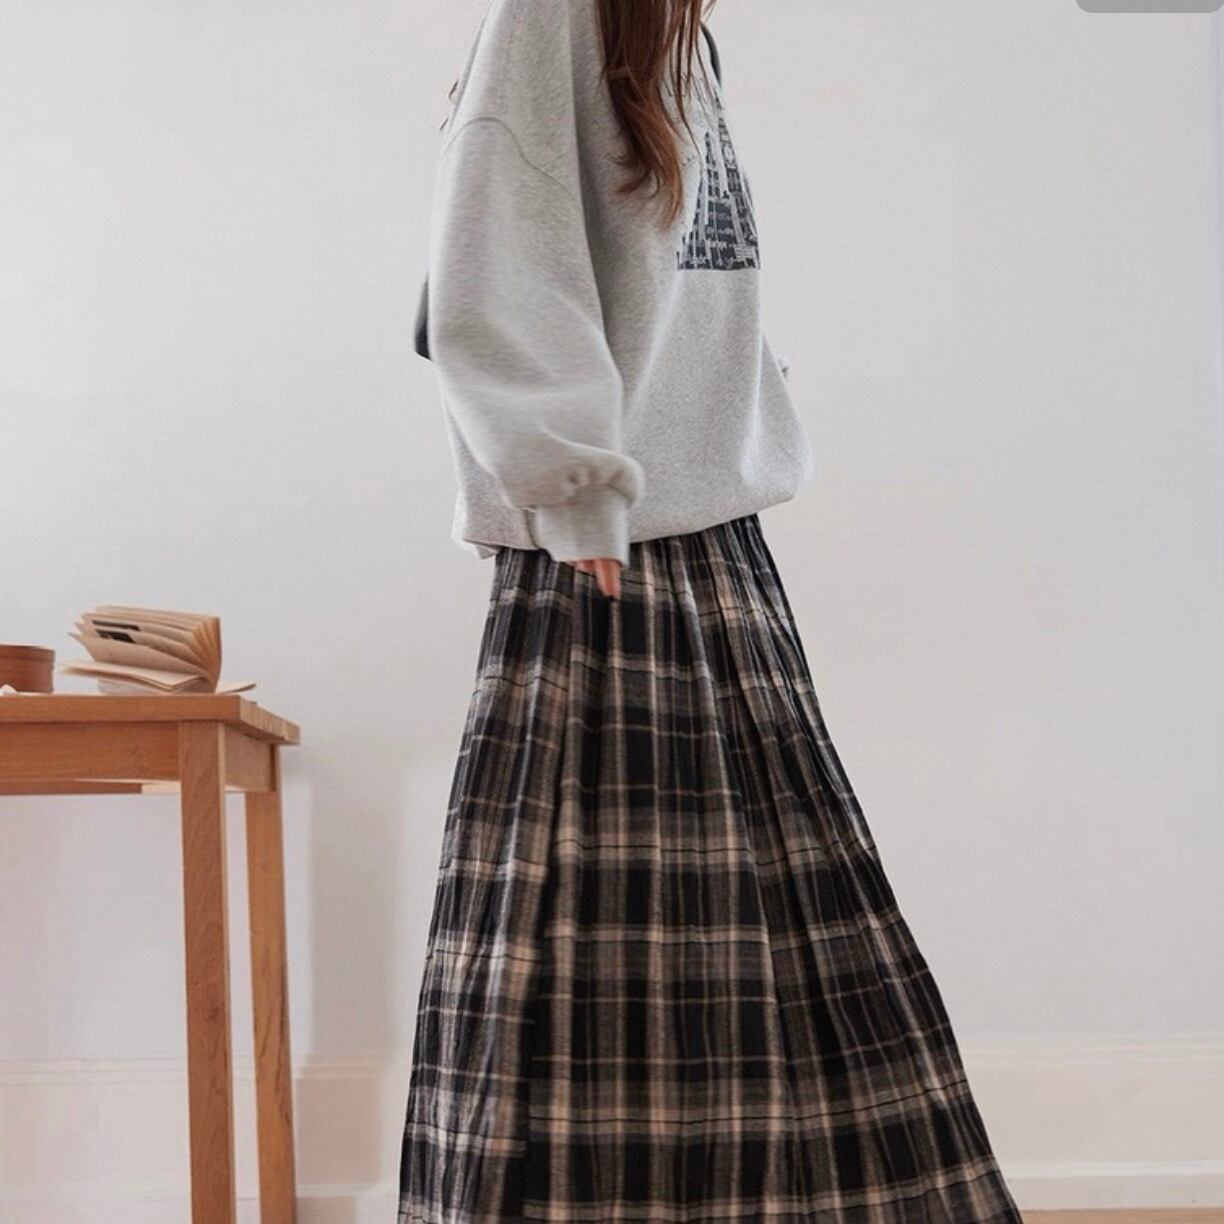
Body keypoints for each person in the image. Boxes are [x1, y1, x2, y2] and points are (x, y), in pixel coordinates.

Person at [399, 1, 1025, 1220]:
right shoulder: (557, 14)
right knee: (612, 966)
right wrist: (570, 480)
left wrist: (741, 419)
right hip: (609, 551)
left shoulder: (676, 39)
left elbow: (692, 303)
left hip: (713, 540)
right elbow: (490, 245)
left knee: (778, 952)